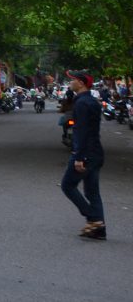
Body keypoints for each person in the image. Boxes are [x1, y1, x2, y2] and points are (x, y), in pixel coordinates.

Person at [61, 71, 105, 240]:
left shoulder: (82, 103)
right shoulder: (91, 101)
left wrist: (79, 157)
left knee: (67, 185)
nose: (70, 82)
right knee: (92, 192)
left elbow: (82, 132)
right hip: (96, 152)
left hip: (86, 153)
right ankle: (99, 230)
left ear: (80, 83)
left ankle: (94, 219)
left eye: (72, 80)